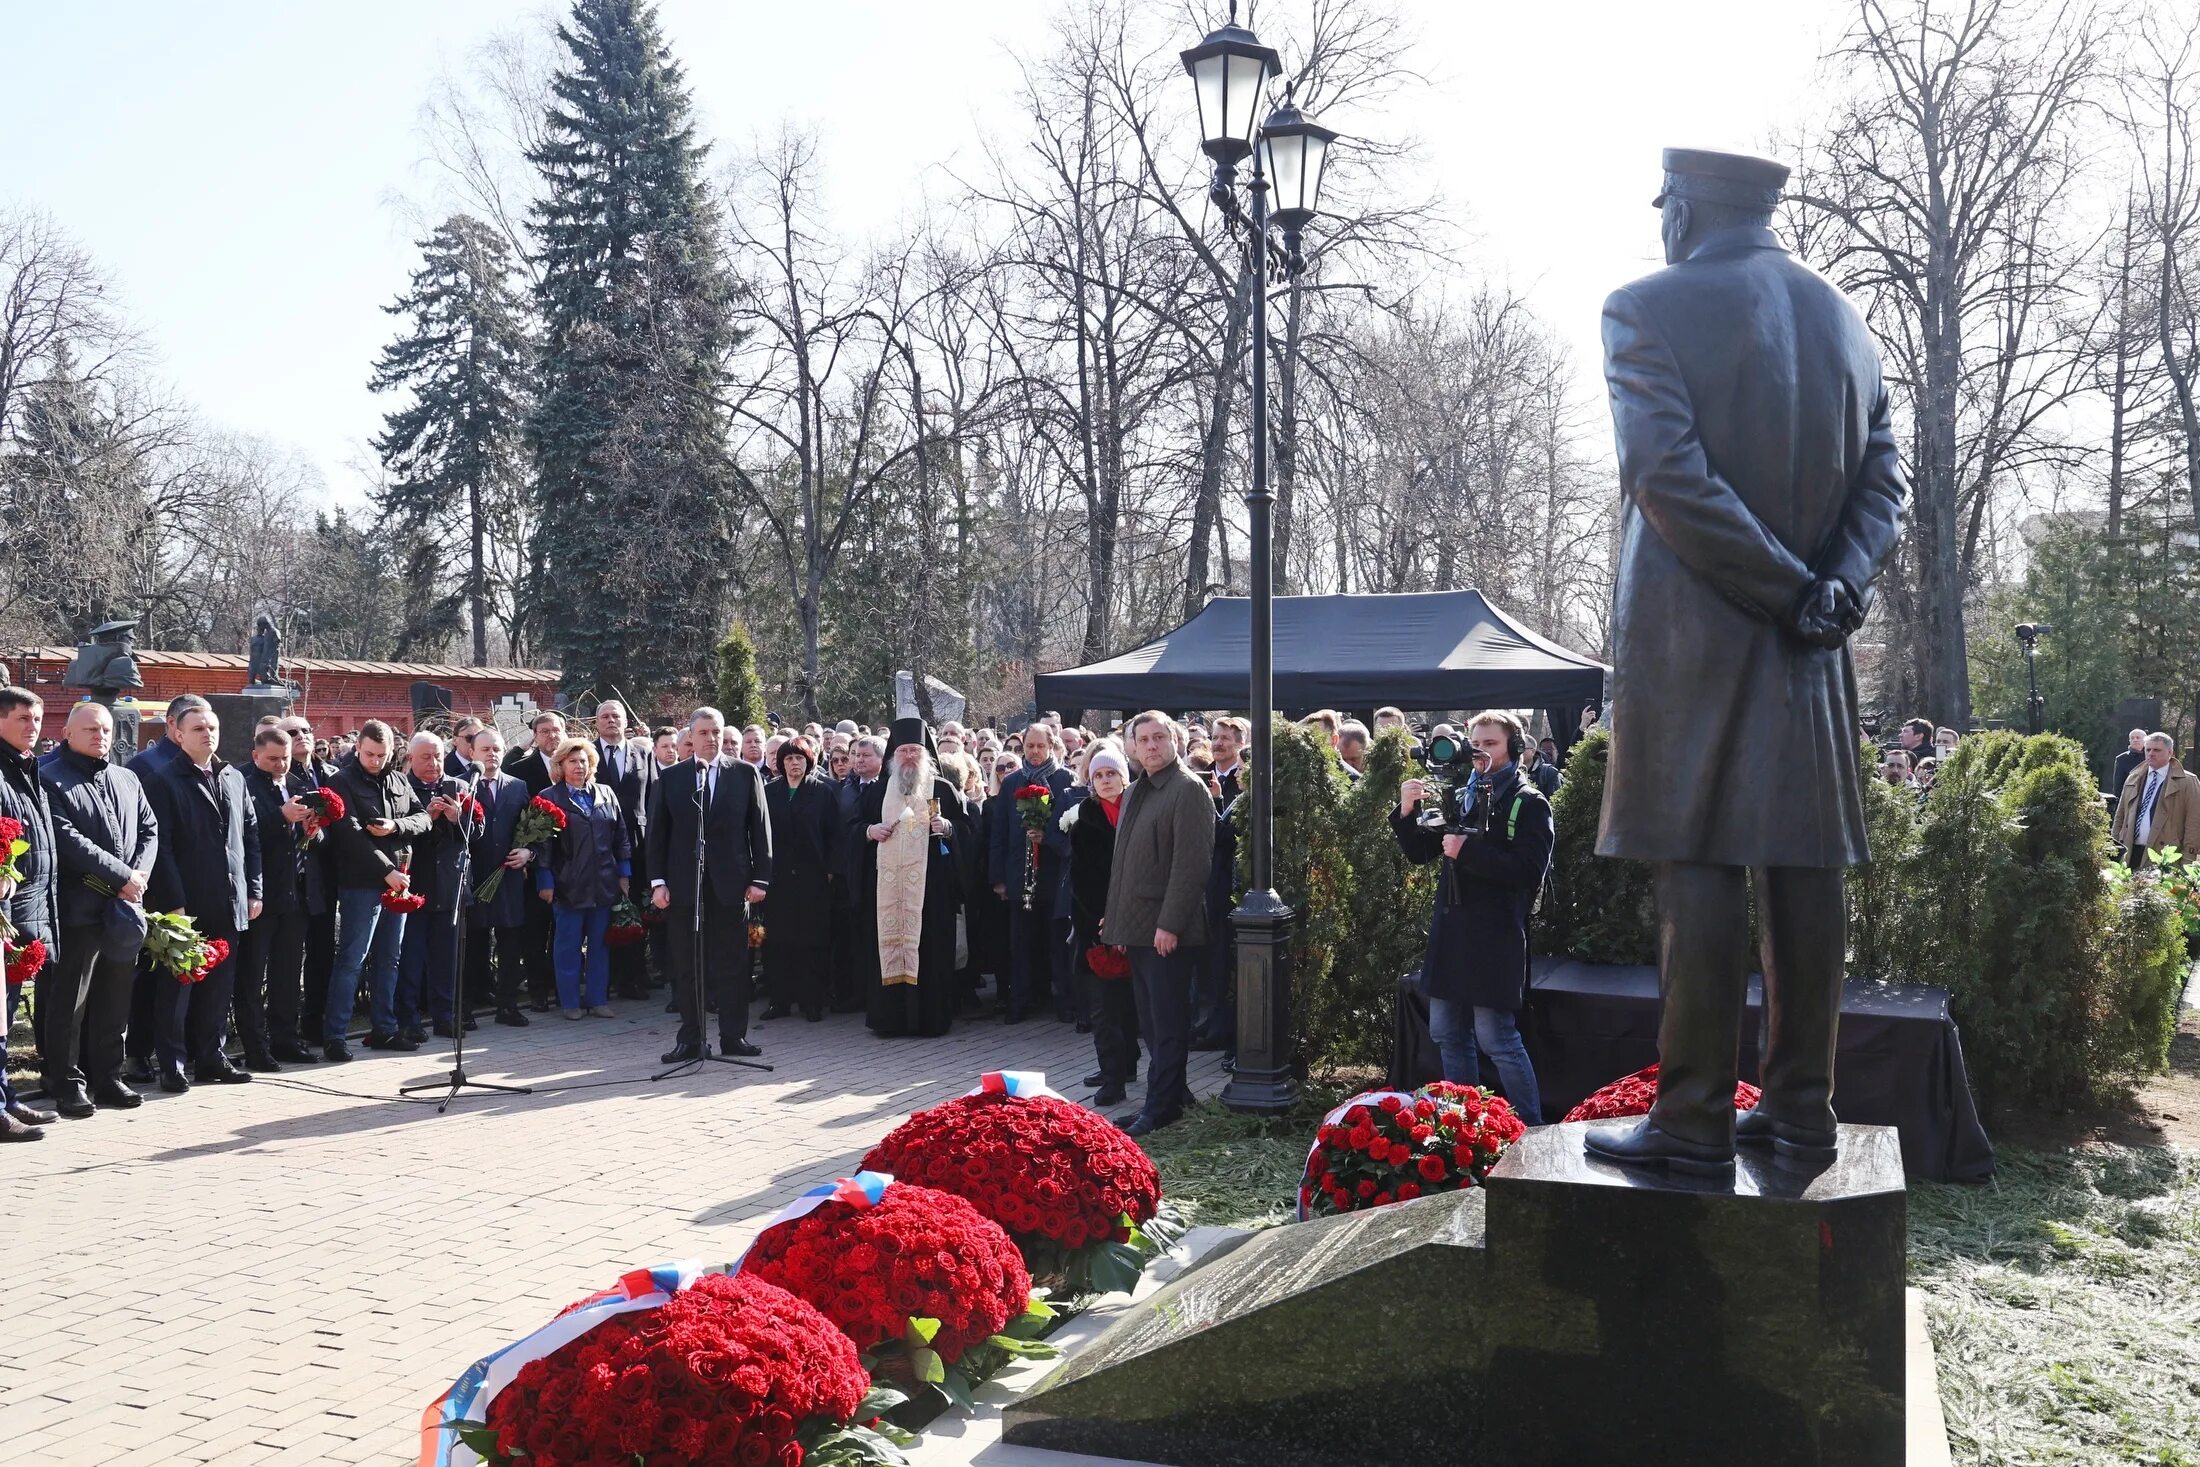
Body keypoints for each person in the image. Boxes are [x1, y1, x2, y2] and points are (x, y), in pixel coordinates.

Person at [1587, 147, 1907, 1175]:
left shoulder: (1644, 305)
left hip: (1697, 640)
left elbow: (1665, 476)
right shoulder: (1849, 329)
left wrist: (1782, 590)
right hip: (1811, 646)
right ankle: (1801, 1112)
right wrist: (1834, 590)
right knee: (1805, 868)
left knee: (1701, 866)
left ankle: (1689, 1119)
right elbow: (1883, 487)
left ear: (1681, 206)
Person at [1393, 711, 1553, 1124]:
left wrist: (1469, 852)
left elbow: (1529, 872)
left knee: (1497, 1038)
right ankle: (1463, 1127)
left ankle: (1532, 1131)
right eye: (1475, 742)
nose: (1479, 751)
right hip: (1452, 933)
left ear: (1515, 749)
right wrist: (1407, 812)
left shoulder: (1529, 803)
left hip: (1495, 937)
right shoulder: (1461, 794)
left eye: (1491, 743)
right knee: (1447, 1033)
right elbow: (1422, 854)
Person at [38, 701, 160, 1114]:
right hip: (78, 908)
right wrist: (122, 876)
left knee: (114, 997)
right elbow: (67, 838)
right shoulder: (50, 778)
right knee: (69, 1000)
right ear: (68, 733)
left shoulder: (126, 778)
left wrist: (138, 875)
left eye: (106, 730)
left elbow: (149, 828)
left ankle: (109, 1077)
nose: (100, 736)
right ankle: (66, 1081)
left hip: (124, 908)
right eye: (90, 729)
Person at [1103, 711, 1217, 1137]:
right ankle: (1172, 1095)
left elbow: (1191, 866)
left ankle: (1161, 1107)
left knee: (1167, 1022)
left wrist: (1170, 923)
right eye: (1143, 740)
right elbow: (1125, 863)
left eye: (1158, 738)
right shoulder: (1135, 791)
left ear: (1175, 739)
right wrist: (1111, 914)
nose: (1151, 746)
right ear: (1132, 747)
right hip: (1136, 926)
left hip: (1165, 930)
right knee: (1150, 1021)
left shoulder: (1187, 789)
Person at [141, 703, 261, 1090]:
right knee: (178, 987)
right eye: (197, 728)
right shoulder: (164, 780)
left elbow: (251, 837)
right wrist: (173, 902)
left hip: (230, 900)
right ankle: (172, 1064)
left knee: (219, 987)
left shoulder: (233, 777)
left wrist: (254, 891)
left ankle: (211, 1057)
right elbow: (162, 848)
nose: (207, 734)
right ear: (178, 734)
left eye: (212, 726)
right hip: (186, 905)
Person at [648, 707, 771, 1062]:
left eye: (716, 732)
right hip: (685, 886)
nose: (711, 739)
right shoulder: (672, 779)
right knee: (687, 965)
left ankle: (733, 1037)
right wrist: (658, 882)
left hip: (732, 886)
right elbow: (657, 835)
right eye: (703, 733)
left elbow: (760, 830)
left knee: (733, 964)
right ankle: (691, 1038)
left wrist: (761, 878)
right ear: (690, 737)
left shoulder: (745, 774)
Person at [321, 719, 431, 1060]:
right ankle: (335, 1036)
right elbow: (349, 835)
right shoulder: (342, 780)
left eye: (382, 755)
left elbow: (423, 818)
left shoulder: (399, 779)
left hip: (399, 879)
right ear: (358, 748)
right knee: (352, 960)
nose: (375, 761)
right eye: (369, 754)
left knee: (390, 958)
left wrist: (395, 826)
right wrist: (386, 871)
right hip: (362, 883)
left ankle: (384, 1029)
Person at [856, 719, 973, 1038]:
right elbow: (851, 828)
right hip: (886, 891)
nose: (908, 756)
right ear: (894, 755)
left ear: (926, 754)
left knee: (931, 951)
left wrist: (948, 829)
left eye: (915, 751)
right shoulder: (877, 791)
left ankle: (931, 1019)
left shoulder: (943, 789)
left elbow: (966, 831)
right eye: (903, 750)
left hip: (931, 891)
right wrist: (869, 831)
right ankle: (888, 1019)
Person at [235, 726, 316, 1070]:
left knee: (287, 971)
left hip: (293, 892)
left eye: (284, 759)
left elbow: (309, 842)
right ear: (256, 756)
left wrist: (314, 830)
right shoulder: (242, 783)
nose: (280, 765)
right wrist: (280, 817)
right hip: (259, 894)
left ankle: (286, 1039)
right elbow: (242, 835)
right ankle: (255, 1046)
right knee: (252, 975)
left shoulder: (296, 785)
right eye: (272, 759)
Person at [1, 686, 61, 1137]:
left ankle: (6, 1098)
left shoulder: (26, 769)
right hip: (7, 912)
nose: (33, 726)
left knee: (5, 1018)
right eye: (23, 718)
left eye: (37, 718)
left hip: (27, 911)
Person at [535, 738, 630, 1020]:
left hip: (603, 881)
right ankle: (570, 1002)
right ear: (561, 765)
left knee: (601, 943)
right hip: (567, 884)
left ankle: (598, 999)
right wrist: (545, 880)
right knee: (568, 946)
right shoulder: (548, 798)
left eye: (584, 761)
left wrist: (624, 874)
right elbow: (542, 844)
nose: (580, 766)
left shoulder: (605, 794)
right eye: (573, 761)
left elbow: (620, 836)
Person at [1066, 741, 1139, 1107]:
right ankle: (1112, 1077)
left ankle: (1130, 1064)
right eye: (1099, 775)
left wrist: (1128, 917)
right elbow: (1082, 881)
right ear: (1091, 781)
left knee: (1132, 1005)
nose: (1106, 780)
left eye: (1112, 773)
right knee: (1104, 1007)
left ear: (1124, 778)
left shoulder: (1138, 812)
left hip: (1139, 921)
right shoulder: (1084, 820)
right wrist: (1106, 923)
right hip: (1097, 926)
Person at [992, 722, 1075, 1024]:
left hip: (1054, 875)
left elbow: (1072, 830)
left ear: (1051, 746)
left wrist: (1047, 837)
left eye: (1041, 746)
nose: (1035, 752)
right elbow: (999, 831)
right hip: (1019, 875)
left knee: (1057, 942)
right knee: (1022, 941)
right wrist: (998, 878)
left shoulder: (1066, 779)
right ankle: (1021, 1001)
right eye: (1030, 746)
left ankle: (1065, 1001)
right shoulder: (1013, 782)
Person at [758, 736, 841, 1022]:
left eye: (800, 759)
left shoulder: (824, 792)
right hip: (778, 880)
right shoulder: (769, 793)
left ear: (809, 761)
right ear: (780, 763)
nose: (795, 764)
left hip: (812, 879)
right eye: (789, 759)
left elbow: (834, 835)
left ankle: (812, 1001)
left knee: (812, 942)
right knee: (778, 942)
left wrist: (829, 869)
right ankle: (779, 1001)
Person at [400, 731, 472, 1040]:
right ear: (411, 759)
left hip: (450, 886)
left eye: (438, 757)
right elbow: (398, 836)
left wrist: (458, 818)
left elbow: (476, 836)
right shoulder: (402, 788)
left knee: (447, 959)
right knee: (411, 959)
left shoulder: (459, 786)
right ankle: (409, 1019)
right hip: (415, 886)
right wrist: (424, 819)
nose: (433, 763)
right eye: (426, 758)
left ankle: (446, 1017)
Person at [462, 727, 534, 1028]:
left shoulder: (517, 786)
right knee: (472, 946)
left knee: (510, 944)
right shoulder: (463, 785)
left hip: (508, 878)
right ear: (473, 753)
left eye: (497, 749)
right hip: (475, 876)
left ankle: (508, 1007)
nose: (492, 754)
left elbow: (532, 829)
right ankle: (464, 1009)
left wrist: (529, 853)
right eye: (485, 749)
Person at [592, 701, 654, 1000]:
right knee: (606, 911)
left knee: (636, 911)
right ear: (597, 722)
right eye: (605, 716)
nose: (611, 721)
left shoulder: (642, 752)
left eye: (616, 716)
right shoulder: (587, 754)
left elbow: (655, 796)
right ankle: (609, 977)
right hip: (600, 846)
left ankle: (636, 976)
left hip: (639, 844)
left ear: (625, 721)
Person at [502, 711, 564, 1012]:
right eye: (545, 732)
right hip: (533, 862)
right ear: (535, 737)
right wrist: (526, 852)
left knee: (564, 930)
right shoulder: (519, 770)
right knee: (535, 930)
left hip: (569, 861)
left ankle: (561, 985)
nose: (552, 736)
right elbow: (514, 817)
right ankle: (538, 989)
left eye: (557, 730)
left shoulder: (576, 763)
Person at [2112, 733, 2200, 867]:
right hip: (2130, 853)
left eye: (2157, 750)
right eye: (2148, 750)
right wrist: (2114, 848)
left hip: (2165, 856)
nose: (2151, 754)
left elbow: (2194, 823)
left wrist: (2188, 860)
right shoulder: (2133, 777)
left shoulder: (2187, 781)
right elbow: (2120, 816)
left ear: (2170, 752)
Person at [2111, 728, 2147, 810]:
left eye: (2138, 737)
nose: (2135, 740)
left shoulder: (2151, 756)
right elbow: (2118, 784)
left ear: (2145, 740)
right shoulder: (2121, 759)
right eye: (2132, 738)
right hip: (2130, 799)